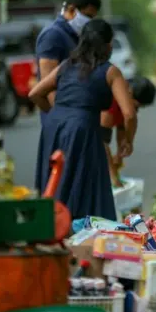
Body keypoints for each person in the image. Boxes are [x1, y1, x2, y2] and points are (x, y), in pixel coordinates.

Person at [29, 19, 137, 221]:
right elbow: (129, 113)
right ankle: (81, 231)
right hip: (83, 128)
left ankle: (51, 228)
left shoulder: (65, 66)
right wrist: (127, 141)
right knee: (83, 183)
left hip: (54, 127)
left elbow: (35, 93)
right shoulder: (110, 71)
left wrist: (55, 114)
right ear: (107, 45)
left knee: (56, 181)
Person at [35, 0, 101, 124]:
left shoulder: (77, 36)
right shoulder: (53, 35)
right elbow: (48, 86)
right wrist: (62, 119)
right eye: (88, 16)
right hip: (63, 121)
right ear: (71, 10)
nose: (90, 22)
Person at [101, 77, 156, 187]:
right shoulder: (111, 100)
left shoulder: (125, 107)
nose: (135, 111)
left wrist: (119, 156)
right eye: (135, 106)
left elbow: (121, 128)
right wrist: (113, 176)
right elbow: (101, 141)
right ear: (129, 92)